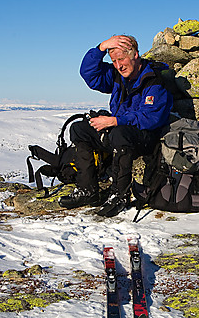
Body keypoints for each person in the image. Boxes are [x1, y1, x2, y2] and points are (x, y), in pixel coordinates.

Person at [59, 35, 173, 217]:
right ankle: (87, 189)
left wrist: (115, 121)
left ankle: (119, 195)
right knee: (79, 129)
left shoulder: (154, 79)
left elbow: (151, 118)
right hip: (120, 132)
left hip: (146, 138)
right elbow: (89, 74)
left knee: (120, 134)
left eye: (121, 59)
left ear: (135, 55)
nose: (118, 65)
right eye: (114, 61)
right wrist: (101, 47)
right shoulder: (117, 76)